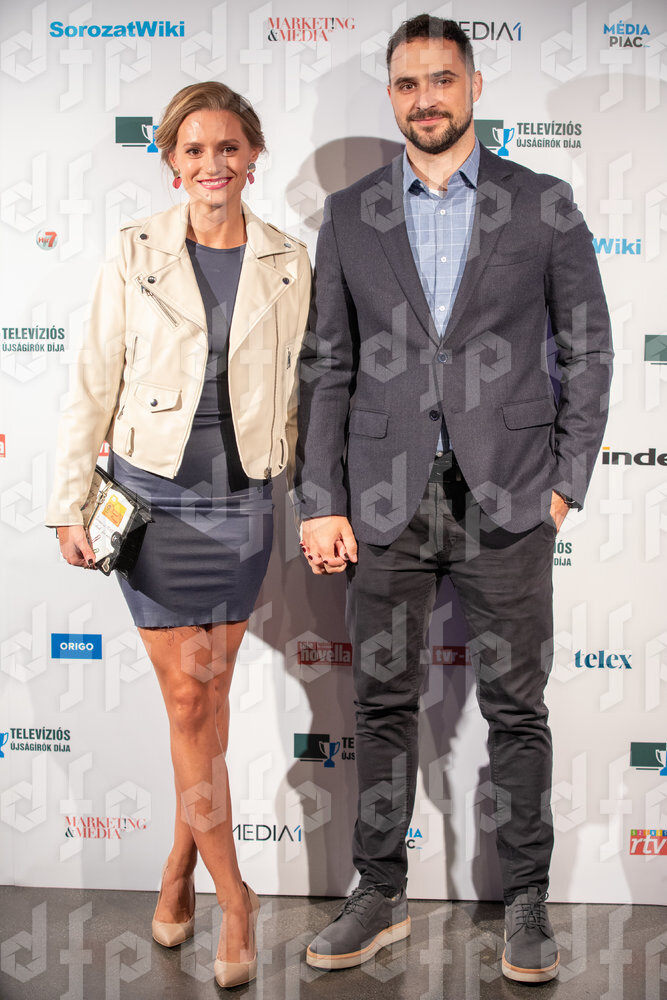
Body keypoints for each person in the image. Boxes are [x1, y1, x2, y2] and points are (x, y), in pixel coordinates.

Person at [296, 15, 612, 984]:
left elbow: (587, 350)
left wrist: (564, 483)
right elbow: (328, 365)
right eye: (406, 84)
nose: (424, 98)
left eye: (441, 79)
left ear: (473, 85)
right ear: (391, 96)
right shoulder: (350, 215)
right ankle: (379, 891)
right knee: (381, 703)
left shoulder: (541, 203)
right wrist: (320, 497)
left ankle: (525, 900)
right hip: (382, 497)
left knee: (517, 710)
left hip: (508, 495)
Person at [46, 82, 310, 989]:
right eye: (193, 149)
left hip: (243, 500)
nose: (212, 164)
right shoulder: (135, 251)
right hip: (152, 501)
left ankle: (175, 866)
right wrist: (68, 502)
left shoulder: (289, 260)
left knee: (208, 698)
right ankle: (236, 896)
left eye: (228, 147)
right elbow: (92, 378)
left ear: (253, 155)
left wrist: (312, 492)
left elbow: (302, 390)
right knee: (191, 704)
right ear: (170, 161)